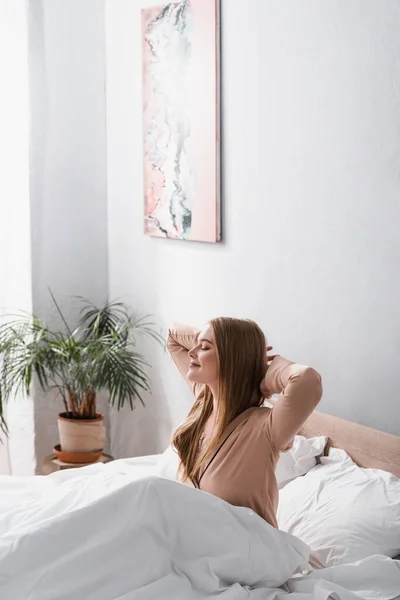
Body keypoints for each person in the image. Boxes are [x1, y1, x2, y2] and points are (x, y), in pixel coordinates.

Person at [167, 318, 323, 528]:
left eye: (204, 347)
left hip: (246, 551)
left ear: (232, 358)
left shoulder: (265, 427)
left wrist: (268, 375)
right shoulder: (203, 402)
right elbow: (173, 336)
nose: (192, 352)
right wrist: (209, 336)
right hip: (195, 545)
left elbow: (307, 380)